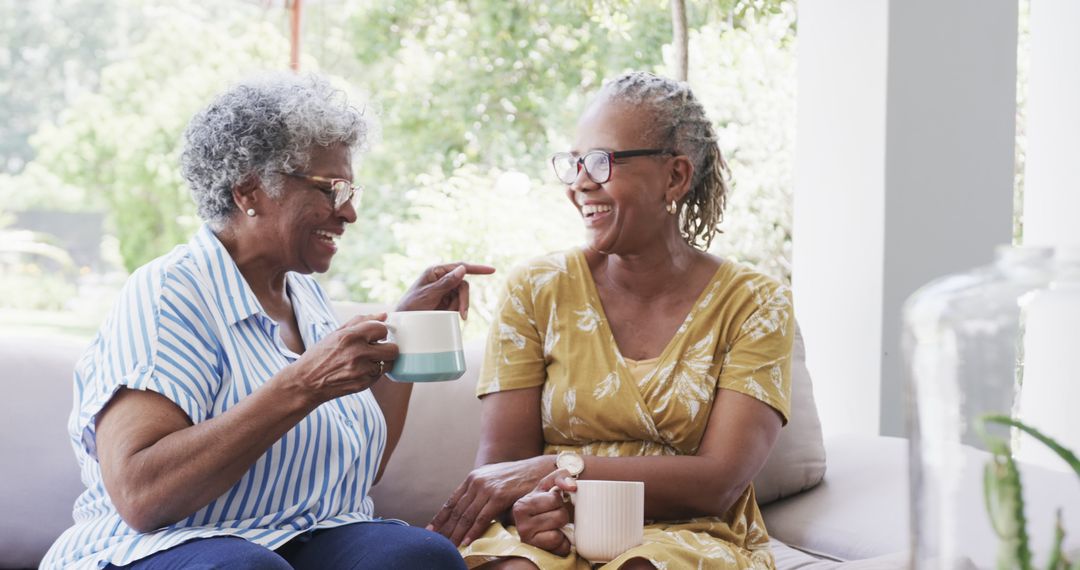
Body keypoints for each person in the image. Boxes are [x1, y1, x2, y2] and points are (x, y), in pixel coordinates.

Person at [41, 73, 491, 570]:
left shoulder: (305, 296)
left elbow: (353, 471)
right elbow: (141, 495)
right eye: (331, 188)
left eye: (350, 188)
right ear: (250, 191)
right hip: (162, 547)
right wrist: (300, 385)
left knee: (418, 557)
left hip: (295, 537)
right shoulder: (172, 293)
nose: (350, 212)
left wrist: (406, 329)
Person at [428, 71, 795, 569]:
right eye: (574, 163)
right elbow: (502, 469)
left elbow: (719, 482)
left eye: (601, 162)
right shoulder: (537, 289)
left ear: (676, 177)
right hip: (556, 523)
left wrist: (558, 468)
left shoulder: (755, 303)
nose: (580, 182)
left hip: (688, 531)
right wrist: (534, 507)